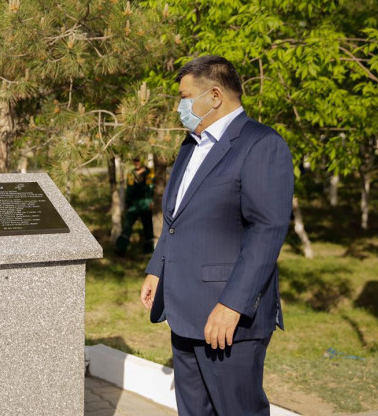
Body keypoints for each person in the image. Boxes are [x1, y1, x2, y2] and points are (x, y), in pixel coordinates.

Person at [140, 55, 293, 415]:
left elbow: (266, 231)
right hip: (183, 311)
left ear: (214, 96)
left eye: (184, 97)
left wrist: (232, 305)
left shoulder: (261, 144)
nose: (179, 107)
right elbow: (176, 218)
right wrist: (157, 269)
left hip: (226, 318)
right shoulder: (191, 144)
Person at [115, 156, 155, 255]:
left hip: (145, 204)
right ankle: (121, 248)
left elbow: (152, 188)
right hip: (134, 205)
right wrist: (127, 203)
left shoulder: (150, 172)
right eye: (135, 160)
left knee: (148, 227)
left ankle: (149, 250)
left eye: (138, 160)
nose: (136, 162)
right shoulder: (131, 174)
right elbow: (129, 190)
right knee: (127, 226)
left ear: (142, 161)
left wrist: (151, 202)